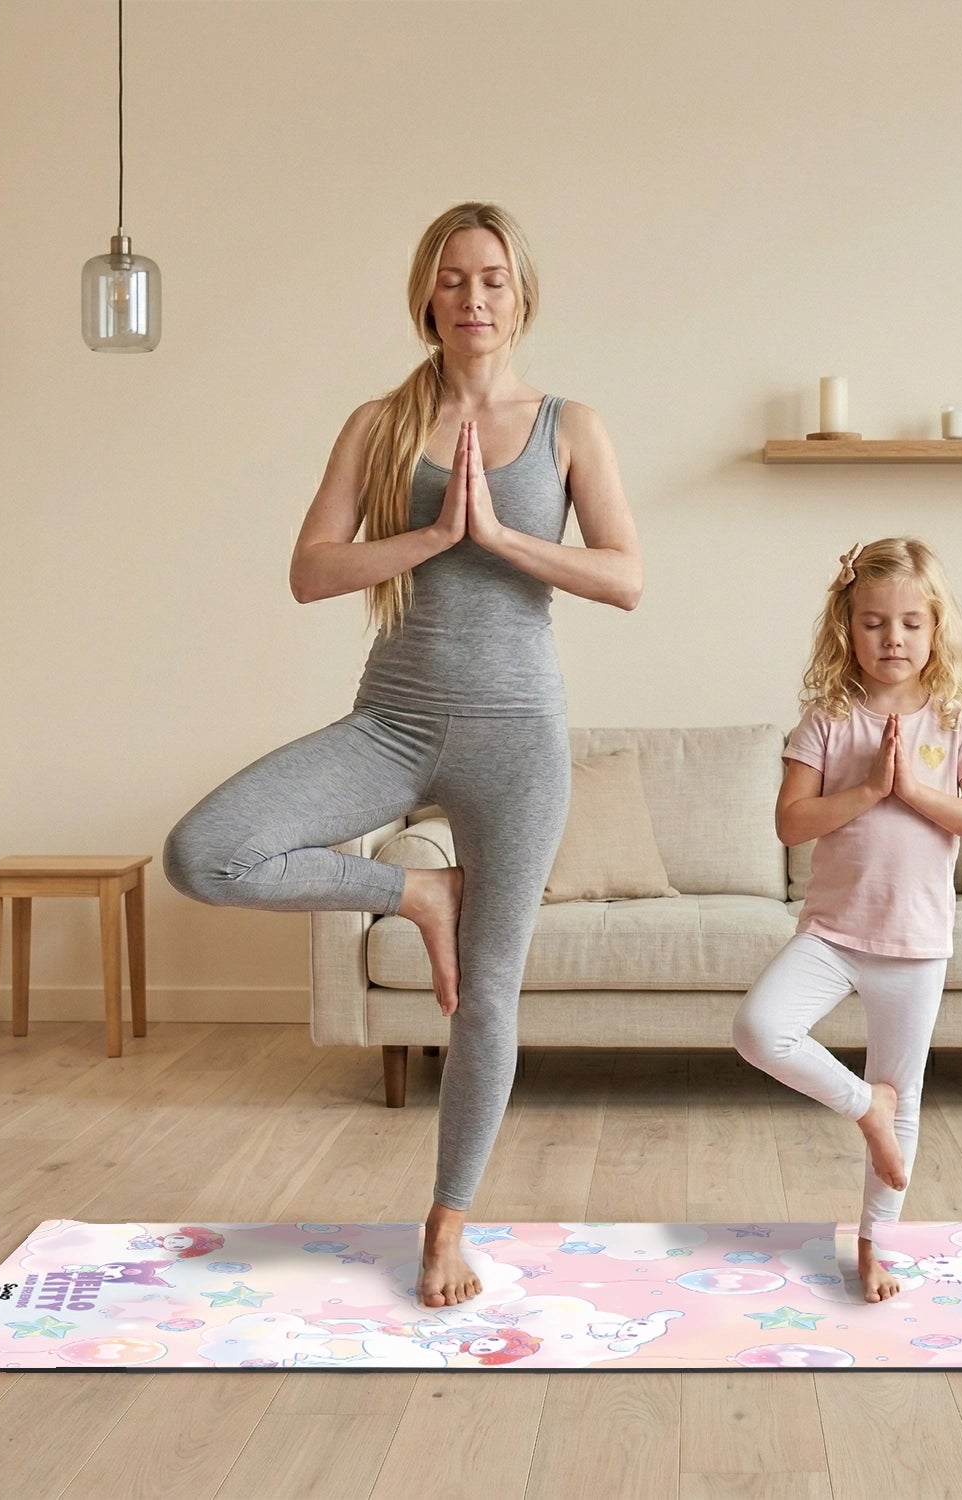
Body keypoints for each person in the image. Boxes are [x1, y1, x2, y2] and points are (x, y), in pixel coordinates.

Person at [162, 202, 642, 1308]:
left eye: (494, 279)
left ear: (522, 296)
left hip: (517, 735)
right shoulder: (379, 425)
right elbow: (311, 569)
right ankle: (416, 892)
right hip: (391, 720)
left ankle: (447, 1220)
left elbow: (626, 577)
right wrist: (432, 534)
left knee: (488, 994)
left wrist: (504, 536)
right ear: (426, 295)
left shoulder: (571, 426)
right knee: (208, 852)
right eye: (453, 279)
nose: (474, 298)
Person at [732, 537, 962, 1302]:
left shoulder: (956, 723)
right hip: (832, 933)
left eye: (911, 624)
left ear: (936, 629)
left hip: (916, 946)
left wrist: (915, 794)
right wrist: (869, 789)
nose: (893, 639)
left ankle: (873, 1246)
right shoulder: (827, 719)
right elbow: (791, 824)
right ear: (846, 628)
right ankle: (865, 1107)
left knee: (906, 1094)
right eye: (875, 622)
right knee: (759, 1030)